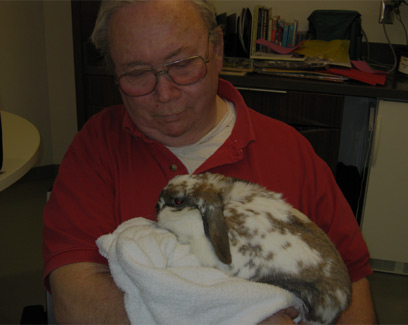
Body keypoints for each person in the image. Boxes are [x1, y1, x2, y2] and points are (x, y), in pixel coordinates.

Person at [42, 0, 377, 323]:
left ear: (216, 50)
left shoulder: (292, 151)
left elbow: (351, 286)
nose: (165, 94)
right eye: (137, 73)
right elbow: (74, 300)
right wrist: (239, 319)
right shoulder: (96, 147)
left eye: (182, 64)